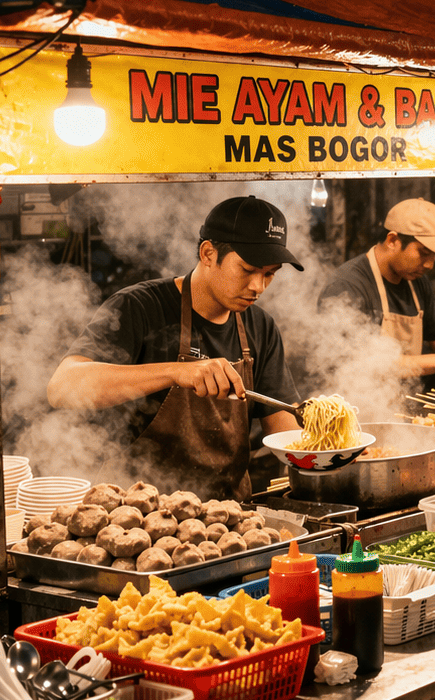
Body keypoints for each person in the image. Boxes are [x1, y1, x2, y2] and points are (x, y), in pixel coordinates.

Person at [49, 195, 302, 499]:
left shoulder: (260, 326)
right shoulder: (138, 307)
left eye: (270, 274)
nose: (258, 287)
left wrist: (329, 446)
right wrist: (176, 372)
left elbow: (286, 433)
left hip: (229, 515)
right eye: (247, 270)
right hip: (138, 513)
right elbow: (62, 387)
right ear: (208, 253)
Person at [318, 198, 435, 393]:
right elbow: (360, 362)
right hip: (363, 402)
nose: (430, 265)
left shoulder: (415, 280)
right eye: (424, 253)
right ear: (392, 241)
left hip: (412, 401)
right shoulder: (346, 287)